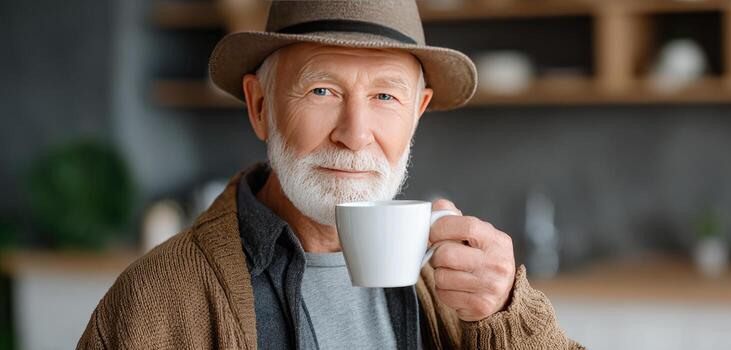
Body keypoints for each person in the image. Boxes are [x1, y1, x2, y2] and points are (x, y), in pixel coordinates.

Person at [78, 1, 581, 348]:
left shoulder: (466, 288)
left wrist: (506, 317)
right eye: (322, 90)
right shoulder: (158, 300)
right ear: (260, 107)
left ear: (417, 113)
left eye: (385, 96)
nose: (355, 134)